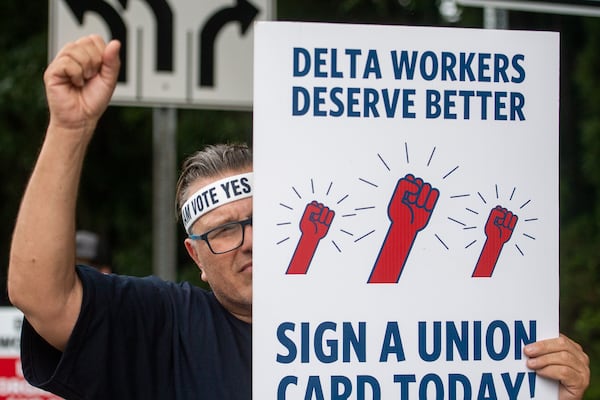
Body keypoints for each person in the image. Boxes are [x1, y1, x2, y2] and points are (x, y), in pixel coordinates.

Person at [6, 35, 589, 399]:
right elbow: (40, 295)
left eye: (264, 218)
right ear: (196, 258)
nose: (251, 243)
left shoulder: (396, 325)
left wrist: (539, 390)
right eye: (224, 231)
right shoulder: (168, 328)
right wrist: (70, 128)